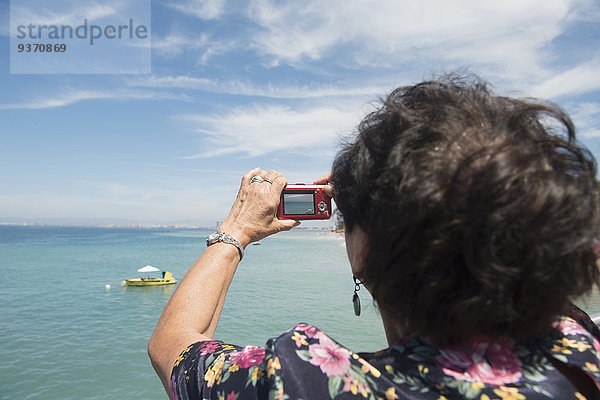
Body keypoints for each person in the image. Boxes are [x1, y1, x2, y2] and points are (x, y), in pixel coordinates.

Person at [149, 75, 600, 399]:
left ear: (364, 247)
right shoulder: (580, 348)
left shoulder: (307, 383)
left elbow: (172, 347)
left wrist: (237, 230)